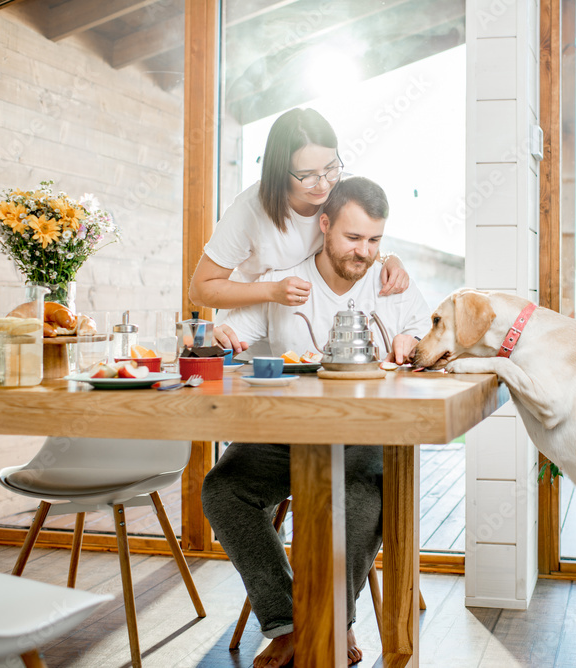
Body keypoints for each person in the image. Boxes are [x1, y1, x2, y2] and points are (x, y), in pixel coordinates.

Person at [202, 177, 431, 668]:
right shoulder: (286, 284)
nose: (364, 252)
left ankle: (331, 623)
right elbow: (231, 336)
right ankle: (288, 623)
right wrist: (219, 333)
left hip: (368, 436)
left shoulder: (394, 287)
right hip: (289, 435)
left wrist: (415, 347)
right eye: (353, 238)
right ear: (324, 225)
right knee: (223, 490)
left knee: (357, 497)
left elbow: (429, 341)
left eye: (375, 241)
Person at [188, 108, 409, 326]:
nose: (323, 185)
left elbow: (361, 242)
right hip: (247, 337)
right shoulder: (249, 210)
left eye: (332, 168)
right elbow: (199, 290)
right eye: (307, 176)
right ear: (280, 171)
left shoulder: (341, 190)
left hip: (305, 333)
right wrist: (272, 290)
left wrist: (390, 259)